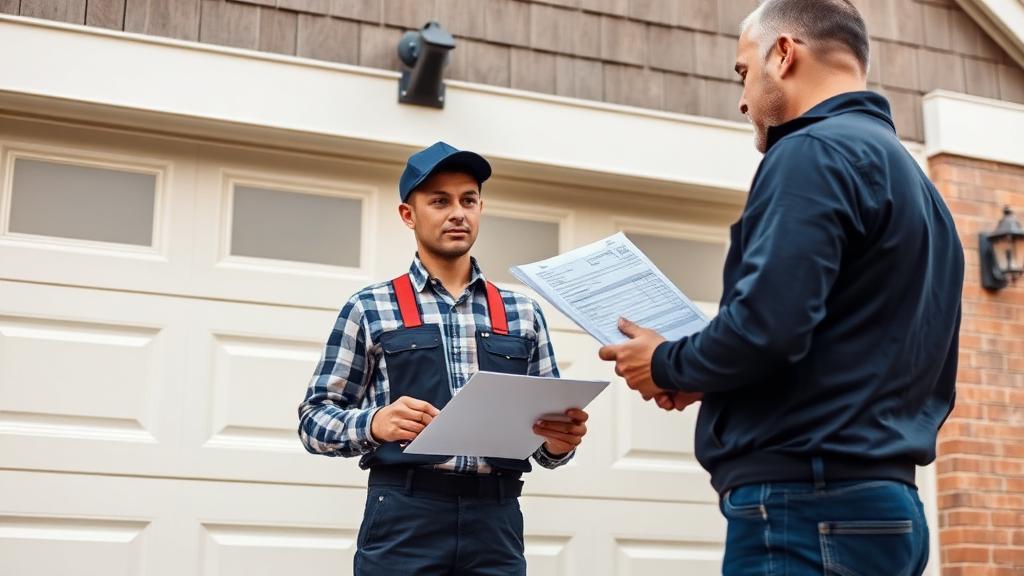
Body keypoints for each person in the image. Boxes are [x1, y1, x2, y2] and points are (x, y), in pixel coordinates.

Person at [598, 1, 963, 574]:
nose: (743, 100)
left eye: (744, 72)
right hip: (887, 513)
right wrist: (710, 373)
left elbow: (768, 328)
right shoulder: (916, 185)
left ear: (784, 54)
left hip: (805, 510)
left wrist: (665, 363)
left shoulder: (810, 152)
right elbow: (831, 345)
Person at [298, 141, 589, 576]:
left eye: (468, 200)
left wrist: (559, 442)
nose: (458, 213)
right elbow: (313, 420)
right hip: (403, 517)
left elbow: (548, 448)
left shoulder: (523, 313)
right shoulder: (369, 307)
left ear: (480, 208)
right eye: (440, 201)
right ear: (408, 215)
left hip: (498, 520)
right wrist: (374, 423)